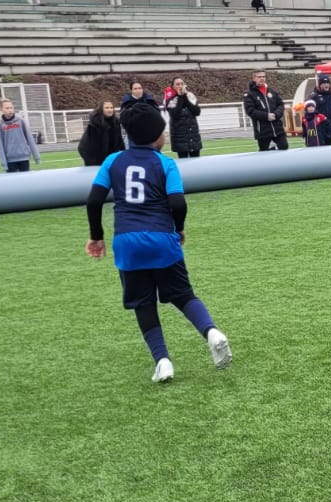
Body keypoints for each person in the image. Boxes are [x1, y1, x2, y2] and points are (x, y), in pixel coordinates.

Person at [84, 103, 231, 384]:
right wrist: (179, 228)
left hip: (127, 242)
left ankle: (163, 362)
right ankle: (212, 333)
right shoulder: (166, 163)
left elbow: (93, 201)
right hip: (162, 239)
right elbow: (178, 202)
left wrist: (97, 236)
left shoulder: (112, 161)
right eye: (163, 131)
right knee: (183, 295)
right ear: (155, 136)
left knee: (143, 303)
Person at [243, 70, 287, 151]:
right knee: (264, 152)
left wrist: (276, 114)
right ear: (254, 78)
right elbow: (250, 110)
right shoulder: (249, 94)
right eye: (259, 77)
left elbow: (281, 105)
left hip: (277, 128)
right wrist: (266, 116)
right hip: (262, 130)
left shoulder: (272, 91)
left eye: (263, 76)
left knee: (284, 147)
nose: (262, 78)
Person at [0, 97, 39, 172]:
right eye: (7, 108)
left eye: (11, 108)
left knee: (25, 179)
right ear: (1, 109)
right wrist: (3, 163)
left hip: (24, 158)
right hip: (10, 161)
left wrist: (36, 157)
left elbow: (30, 139)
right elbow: (0, 145)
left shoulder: (21, 121)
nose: (10, 110)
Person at [163, 78, 202, 158]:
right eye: (177, 84)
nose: (180, 86)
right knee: (183, 161)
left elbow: (196, 112)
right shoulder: (170, 99)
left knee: (196, 160)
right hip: (179, 137)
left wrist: (185, 97)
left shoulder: (190, 96)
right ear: (173, 87)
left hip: (193, 135)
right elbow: (175, 114)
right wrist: (180, 97)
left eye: (182, 84)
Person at [78, 100, 124, 166]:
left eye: (111, 108)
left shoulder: (116, 122)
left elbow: (119, 139)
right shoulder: (94, 123)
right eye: (106, 108)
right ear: (101, 109)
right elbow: (91, 145)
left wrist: (123, 152)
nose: (110, 110)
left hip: (109, 154)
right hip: (92, 154)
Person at [308, 75, 331, 146]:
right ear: (320, 85)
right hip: (319, 127)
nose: (326, 85)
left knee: (329, 146)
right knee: (320, 147)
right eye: (324, 83)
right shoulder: (314, 97)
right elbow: (309, 111)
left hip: (330, 126)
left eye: (327, 83)